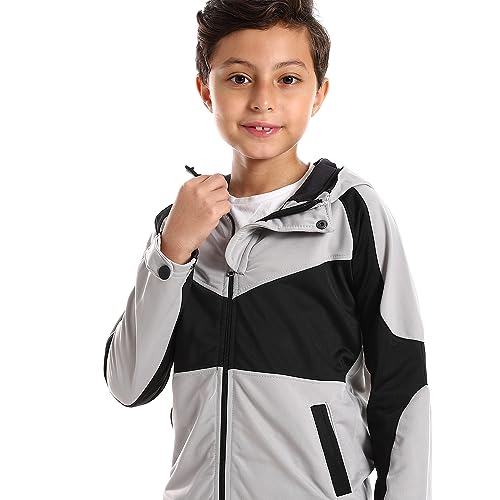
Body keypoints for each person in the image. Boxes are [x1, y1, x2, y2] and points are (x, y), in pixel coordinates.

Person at [103, 1, 432, 499]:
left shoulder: (351, 214)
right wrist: (173, 251)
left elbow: (402, 385)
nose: (263, 100)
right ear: (205, 90)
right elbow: (129, 384)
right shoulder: (182, 225)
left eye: (288, 79)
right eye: (239, 78)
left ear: (319, 94)